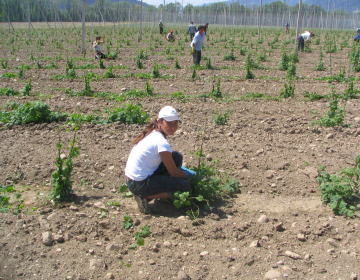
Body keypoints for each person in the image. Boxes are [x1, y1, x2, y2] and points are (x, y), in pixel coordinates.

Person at [124, 106, 197, 214]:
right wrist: (194, 177)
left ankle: (162, 189)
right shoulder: (161, 142)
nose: (173, 127)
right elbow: (174, 172)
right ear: (160, 122)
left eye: (175, 123)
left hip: (132, 180)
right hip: (139, 184)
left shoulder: (153, 133)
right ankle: (145, 197)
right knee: (185, 186)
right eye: (169, 123)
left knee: (176, 157)